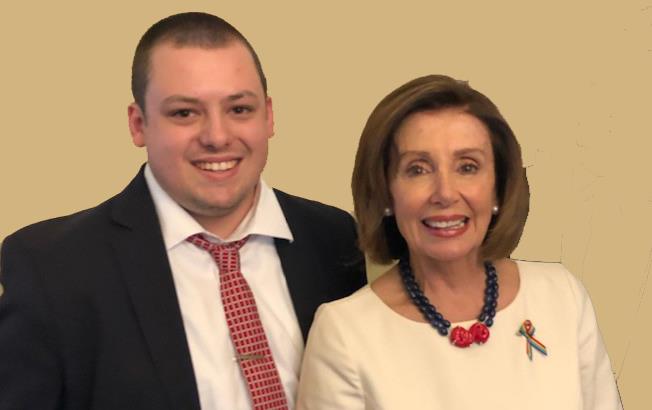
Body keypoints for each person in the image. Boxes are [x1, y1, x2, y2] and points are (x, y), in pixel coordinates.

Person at [0, 12, 366, 410]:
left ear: (269, 116)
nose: (217, 136)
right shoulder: (52, 267)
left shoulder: (334, 239)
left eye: (239, 109)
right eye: (184, 113)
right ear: (138, 124)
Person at [296, 75, 622, 409]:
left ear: (498, 186)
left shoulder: (562, 297)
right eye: (418, 169)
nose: (445, 193)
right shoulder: (344, 334)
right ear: (385, 193)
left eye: (467, 167)